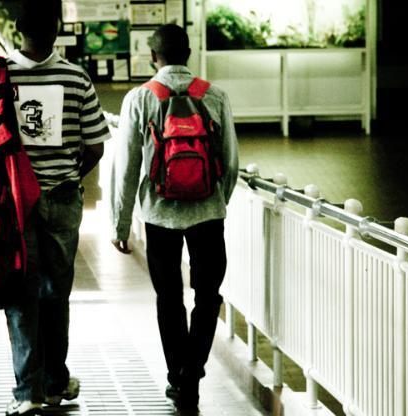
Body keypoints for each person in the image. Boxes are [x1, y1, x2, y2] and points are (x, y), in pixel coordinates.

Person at [109, 24, 239, 410]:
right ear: (189, 52)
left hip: (159, 214)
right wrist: (218, 201)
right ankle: (192, 375)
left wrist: (121, 223)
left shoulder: (139, 98)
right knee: (207, 295)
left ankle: (176, 376)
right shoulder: (213, 95)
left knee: (168, 298)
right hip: (207, 214)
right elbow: (230, 161)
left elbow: (127, 166)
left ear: (153, 57)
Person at [0, 1, 109, 415]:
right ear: (58, 30)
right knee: (56, 293)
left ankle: (27, 393)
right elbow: (95, 144)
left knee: (20, 292)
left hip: (14, 201)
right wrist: (68, 174)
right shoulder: (75, 76)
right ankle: (56, 382)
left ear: (16, 29)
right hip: (63, 196)